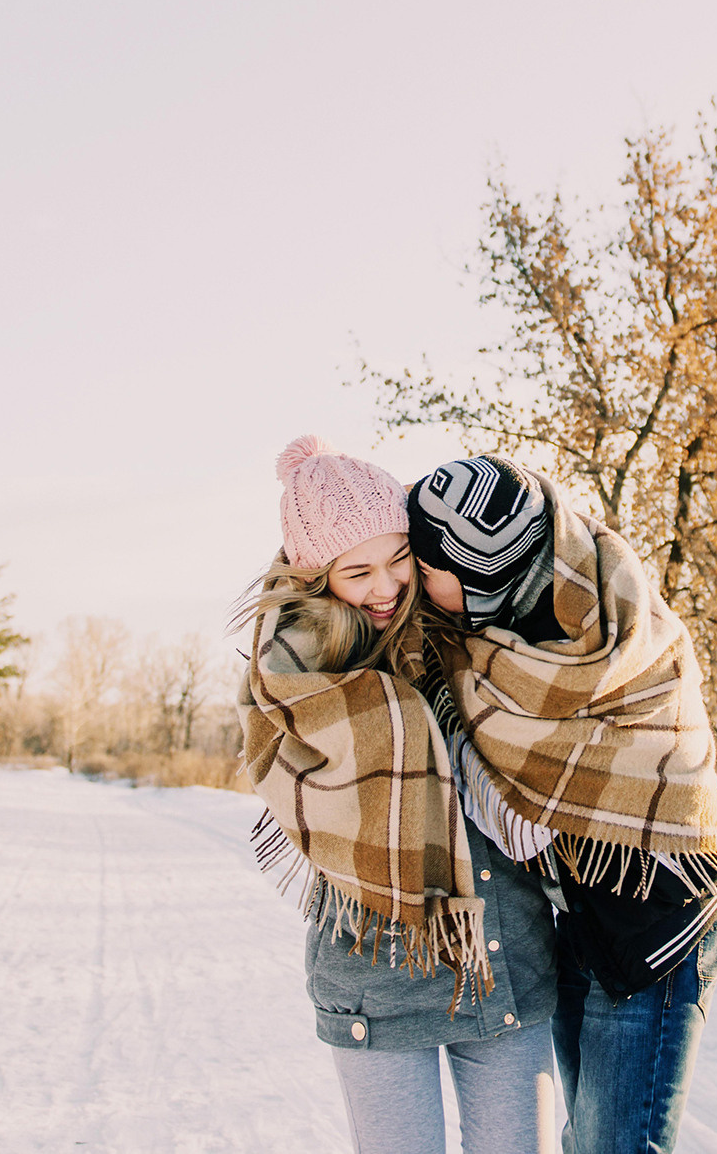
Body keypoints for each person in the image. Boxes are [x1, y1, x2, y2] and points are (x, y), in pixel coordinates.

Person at [404, 454, 717, 1154]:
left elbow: (525, 823)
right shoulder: (497, 636)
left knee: (616, 1145)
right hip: (583, 914)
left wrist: (457, 738)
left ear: (478, 573)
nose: (412, 575)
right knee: (586, 1139)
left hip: (660, 923)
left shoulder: (613, 635)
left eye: (426, 562)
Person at [234, 436, 559, 1154]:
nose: (386, 587)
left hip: (502, 958)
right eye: (357, 571)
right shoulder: (290, 679)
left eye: (398, 559)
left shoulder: (464, 625)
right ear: (314, 575)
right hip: (376, 967)